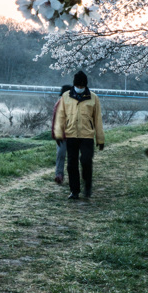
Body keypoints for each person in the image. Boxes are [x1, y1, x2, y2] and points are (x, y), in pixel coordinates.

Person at [53, 70, 105, 201]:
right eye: (78, 86)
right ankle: (74, 191)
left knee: (86, 161)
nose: (80, 88)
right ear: (74, 85)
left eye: (82, 86)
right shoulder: (66, 96)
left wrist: (100, 138)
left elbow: (97, 119)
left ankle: (87, 186)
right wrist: (58, 134)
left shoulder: (94, 98)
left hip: (87, 136)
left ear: (86, 85)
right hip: (71, 135)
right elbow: (60, 116)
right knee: (71, 164)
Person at [51, 84, 71, 184]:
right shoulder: (59, 104)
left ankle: (65, 176)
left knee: (65, 156)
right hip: (63, 135)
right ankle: (59, 175)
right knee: (61, 155)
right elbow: (55, 121)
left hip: (71, 135)